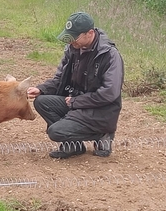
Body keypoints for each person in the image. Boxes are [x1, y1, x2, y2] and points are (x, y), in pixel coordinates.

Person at [27, 12, 124, 159]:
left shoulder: (110, 55)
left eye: (75, 37)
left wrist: (77, 101)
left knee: (55, 132)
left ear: (90, 33)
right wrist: (41, 89)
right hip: (76, 104)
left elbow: (109, 93)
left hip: (99, 111)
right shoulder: (72, 49)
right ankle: (74, 145)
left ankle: (103, 134)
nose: (71, 41)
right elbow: (60, 78)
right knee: (42, 101)